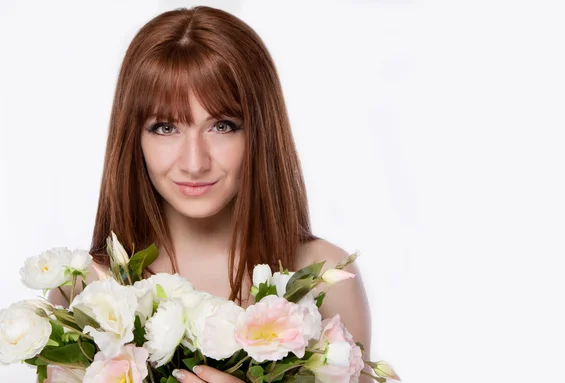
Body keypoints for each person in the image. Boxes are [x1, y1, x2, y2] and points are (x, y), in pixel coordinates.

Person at [46, 6, 371, 383]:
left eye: (223, 125)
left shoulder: (323, 277)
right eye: (165, 127)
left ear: (259, 132)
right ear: (133, 136)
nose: (194, 162)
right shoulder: (86, 288)